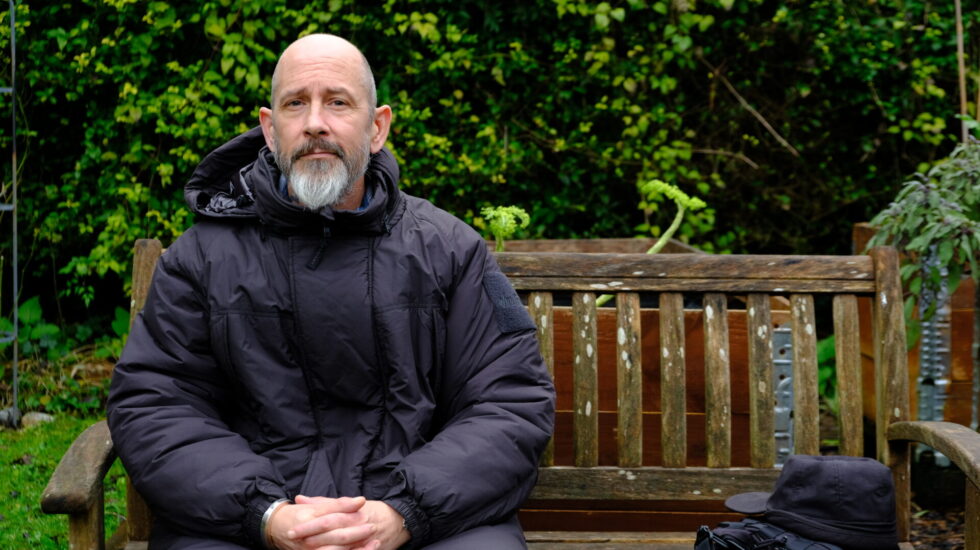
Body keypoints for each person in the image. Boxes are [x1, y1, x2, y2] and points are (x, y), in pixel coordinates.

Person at [106, 34, 555, 550]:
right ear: (270, 131)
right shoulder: (201, 259)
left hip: (422, 523)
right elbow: (154, 404)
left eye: (338, 102)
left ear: (377, 127)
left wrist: (402, 513)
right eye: (296, 103)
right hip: (248, 525)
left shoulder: (451, 250)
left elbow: (509, 402)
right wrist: (266, 514)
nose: (315, 122)